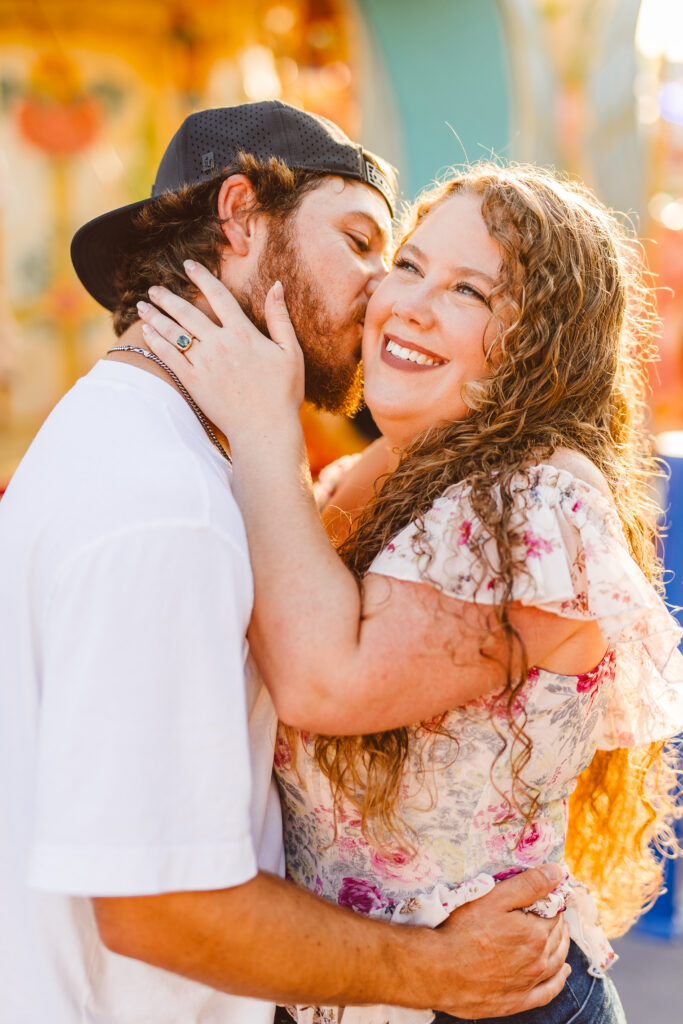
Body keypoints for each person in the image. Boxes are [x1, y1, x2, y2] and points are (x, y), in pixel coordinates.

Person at [0, 104, 571, 1024]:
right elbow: (161, 908)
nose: (385, 292)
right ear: (240, 216)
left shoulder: (126, 438)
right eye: (360, 242)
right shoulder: (167, 511)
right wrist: (438, 970)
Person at [137, 159, 683, 1024]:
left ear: (539, 344)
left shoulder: (538, 499)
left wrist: (263, 426)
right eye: (409, 264)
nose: (410, 304)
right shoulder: (371, 479)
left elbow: (324, 683)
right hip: (364, 993)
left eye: (469, 290)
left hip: (492, 1005)